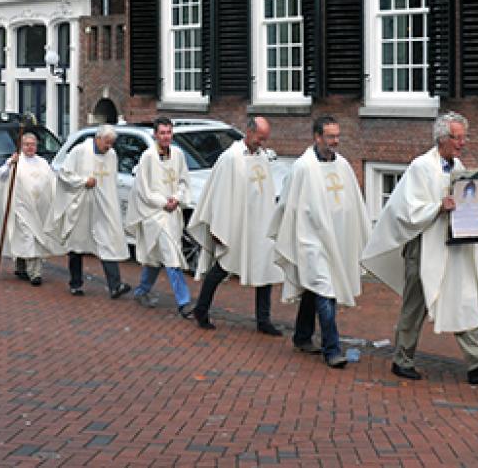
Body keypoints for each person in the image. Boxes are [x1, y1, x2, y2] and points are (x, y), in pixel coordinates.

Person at [361, 112, 478, 385]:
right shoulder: (421, 167)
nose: (462, 143)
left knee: (462, 297)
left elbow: (460, 200)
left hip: (452, 244)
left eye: (465, 137)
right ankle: (401, 359)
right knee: (416, 304)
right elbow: (407, 209)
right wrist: (439, 206)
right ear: (442, 138)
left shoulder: (457, 165)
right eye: (458, 137)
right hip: (424, 245)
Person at [268, 116, 371, 369]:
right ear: (317, 137)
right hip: (311, 240)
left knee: (314, 288)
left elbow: (353, 203)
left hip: (338, 239)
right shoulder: (303, 167)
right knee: (326, 291)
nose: (335, 141)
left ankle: (302, 336)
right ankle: (332, 350)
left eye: (337, 136)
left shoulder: (344, 165)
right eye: (330, 136)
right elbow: (288, 204)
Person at [187, 116, 284, 334]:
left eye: (265, 139)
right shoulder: (230, 158)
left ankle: (263, 320)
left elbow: (267, 191)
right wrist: (217, 227)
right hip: (236, 224)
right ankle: (201, 310)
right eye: (260, 138)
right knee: (222, 267)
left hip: (260, 224)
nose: (262, 143)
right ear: (248, 132)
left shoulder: (262, 158)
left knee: (264, 268)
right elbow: (219, 194)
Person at [48, 124, 132, 298]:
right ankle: (76, 283)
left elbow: (111, 182)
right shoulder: (80, 151)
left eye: (111, 144)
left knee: (107, 241)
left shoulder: (112, 155)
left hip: (102, 207)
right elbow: (64, 173)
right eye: (106, 143)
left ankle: (115, 285)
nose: (108, 147)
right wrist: (83, 181)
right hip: (81, 206)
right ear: (98, 138)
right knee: (77, 245)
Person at [124, 117, 195, 318]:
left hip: (173, 214)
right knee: (172, 255)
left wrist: (177, 198)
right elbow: (143, 189)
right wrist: (163, 202)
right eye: (162, 133)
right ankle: (184, 302)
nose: (166, 136)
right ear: (155, 134)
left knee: (156, 257)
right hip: (154, 214)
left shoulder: (178, 155)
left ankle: (141, 291)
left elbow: (183, 181)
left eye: (169, 132)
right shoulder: (148, 157)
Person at [0, 132, 62, 286]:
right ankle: (34, 273)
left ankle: (22, 267)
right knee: (27, 238)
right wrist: (9, 164)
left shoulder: (43, 163)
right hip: (21, 209)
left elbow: (52, 182)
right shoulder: (16, 161)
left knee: (33, 239)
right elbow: (1, 177)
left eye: (33, 144)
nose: (30, 147)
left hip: (39, 210)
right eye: (27, 144)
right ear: (21, 145)